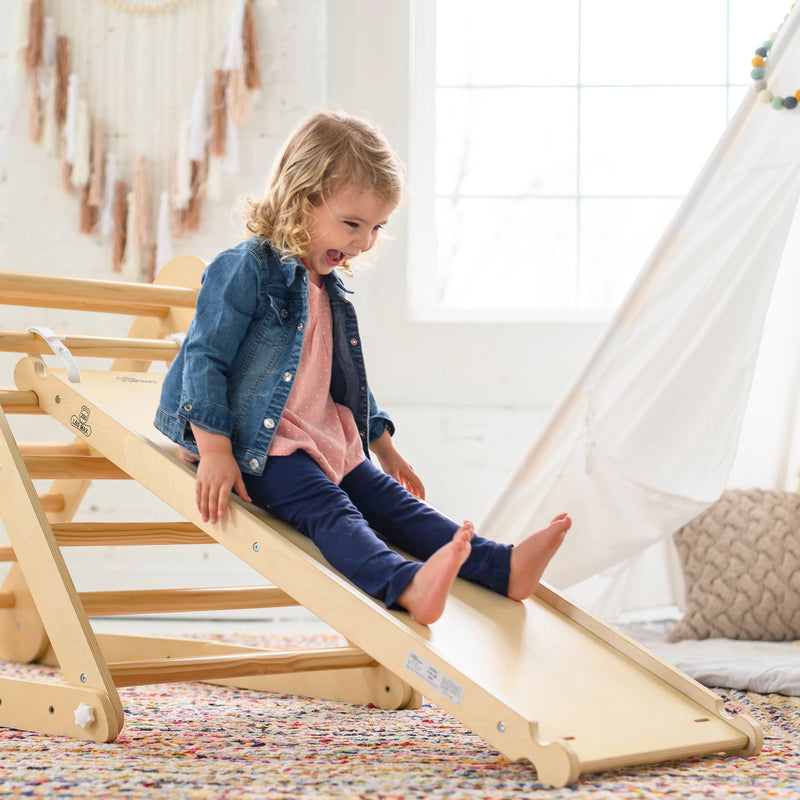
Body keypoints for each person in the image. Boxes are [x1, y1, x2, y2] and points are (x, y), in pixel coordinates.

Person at [155, 109, 571, 625]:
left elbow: (344, 380)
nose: (364, 242)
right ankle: (405, 586)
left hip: (323, 436)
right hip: (261, 445)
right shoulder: (244, 269)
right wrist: (215, 450)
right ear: (299, 198)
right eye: (352, 223)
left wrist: (384, 447)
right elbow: (204, 355)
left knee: (397, 508)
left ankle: (500, 567)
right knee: (332, 510)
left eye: (377, 227)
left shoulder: (328, 289)